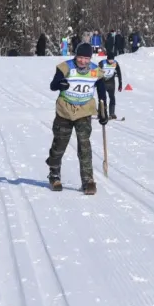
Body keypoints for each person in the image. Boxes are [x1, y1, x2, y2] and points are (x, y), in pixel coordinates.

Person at [46, 42, 109, 194]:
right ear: (76, 56)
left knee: (84, 145)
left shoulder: (95, 71)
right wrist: (60, 84)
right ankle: (54, 174)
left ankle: (88, 181)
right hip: (65, 110)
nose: (83, 61)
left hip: (84, 110)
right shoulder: (66, 67)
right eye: (80, 58)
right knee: (60, 145)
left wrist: (103, 111)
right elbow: (53, 85)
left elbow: (101, 91)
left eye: (86, 59)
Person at [97, 51, 123, 119]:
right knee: (103, 98)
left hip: (111, 82)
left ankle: (112, 113)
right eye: (110, 60)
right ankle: (102, 113)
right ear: (107, 58)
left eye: (112, 60)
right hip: (103, 81)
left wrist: (120, 84)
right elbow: (97, 72)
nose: (111, 61)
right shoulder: (102, 63)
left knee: (112, 98)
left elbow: (119, 73)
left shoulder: (115, 63)